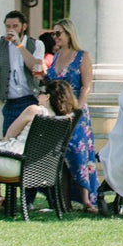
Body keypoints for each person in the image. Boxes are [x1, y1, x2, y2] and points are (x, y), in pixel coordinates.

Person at [0, 79, 82, 217]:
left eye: (41, 93)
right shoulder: (65, 119)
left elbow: (9, 135)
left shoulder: (33, 110)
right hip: (40, 169)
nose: (37, 96)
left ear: (48, 96)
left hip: (15, 164)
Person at [45, 17, 100, 213]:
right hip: (56, 113)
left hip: (76, 113)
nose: (55, 37)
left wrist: (78, 108)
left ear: (69, 34)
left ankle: (86, 200)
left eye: (58, 33)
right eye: (54, 33)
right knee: (59, 155)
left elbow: (86, 86)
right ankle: (62, 200)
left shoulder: (81, 57)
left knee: (78, 153)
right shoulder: (55, 57)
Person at [0, 9, 45, 134]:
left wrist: (19, 45)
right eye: (8, 26)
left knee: (29, 142)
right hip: (10, 102)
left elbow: (37, 72)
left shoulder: (37, 44)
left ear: (24, 27)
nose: (10, 29)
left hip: (31, 100)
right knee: (8, 141)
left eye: (15, 26)